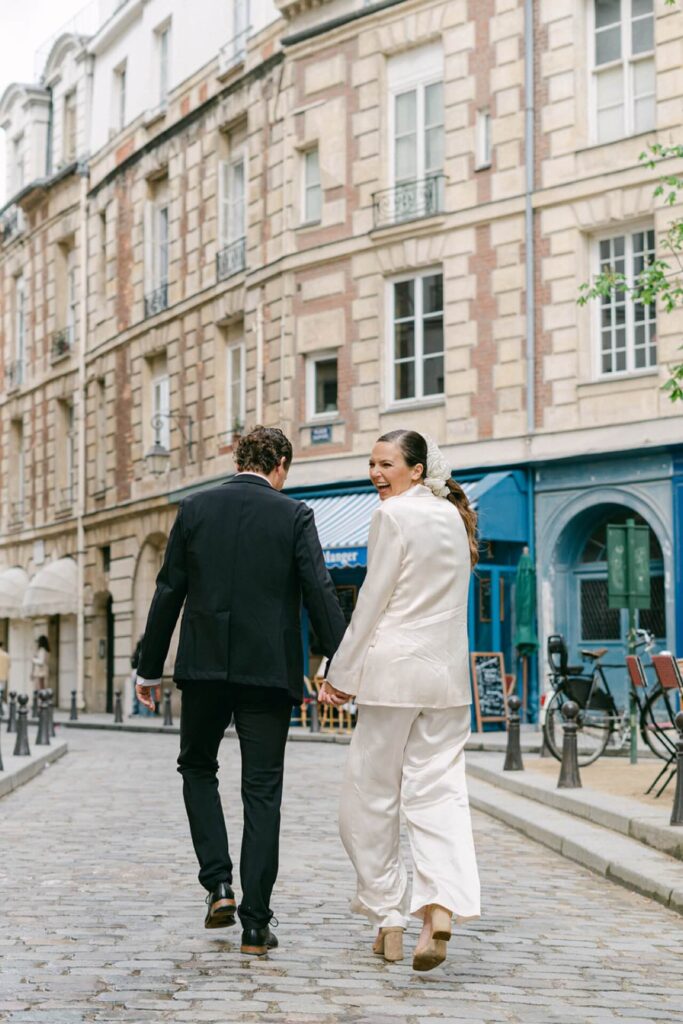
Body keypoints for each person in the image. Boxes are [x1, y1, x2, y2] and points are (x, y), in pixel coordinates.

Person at [135, 426, 346, 956]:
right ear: (279, 464)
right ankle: (255, 922)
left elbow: (168, 591)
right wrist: (343, 663)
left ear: (238, 459)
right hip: (268, 672)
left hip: (204, 666)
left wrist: (148, 668)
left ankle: (218, 884)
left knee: (198, 766)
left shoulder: (195, 510)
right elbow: (320, 592)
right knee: (262, 790)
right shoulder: (295, 515)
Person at [320, 430, 481, 973]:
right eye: (370, 463)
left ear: (417, 470)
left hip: (393, 676)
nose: (374, 473)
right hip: (448, 681)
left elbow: (372, 600)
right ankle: (440, 906)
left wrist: (340, 673)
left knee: (368, 796)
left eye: (386, 463)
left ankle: (388, 914)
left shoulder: (393, 518)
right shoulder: (455, 520)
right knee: (440, 793)